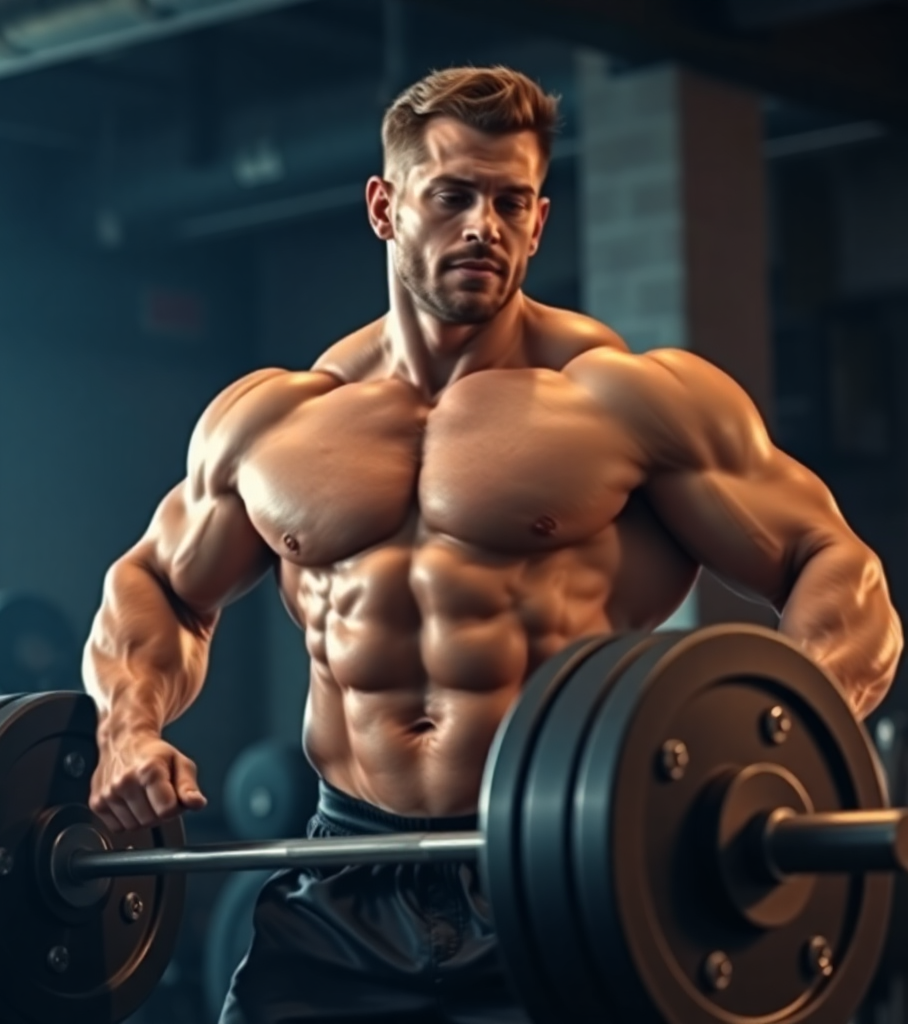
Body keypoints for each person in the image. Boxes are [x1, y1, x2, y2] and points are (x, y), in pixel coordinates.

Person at [82, 66, 902, 1023]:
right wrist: (127, 728)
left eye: (513, 202)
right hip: (343, 876)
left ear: (541, 220)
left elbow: (837, 565)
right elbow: (156, 585)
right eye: (453, 196)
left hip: (559, 872)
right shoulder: (276, 422)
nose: (486, 226)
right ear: (386, 207)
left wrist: (791, 733)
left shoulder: (628, 401)